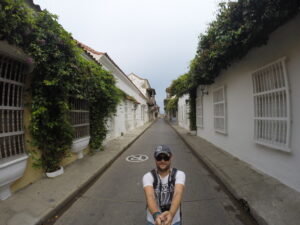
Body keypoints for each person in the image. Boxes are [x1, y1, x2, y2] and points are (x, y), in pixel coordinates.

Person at [143, 145, 186, 225]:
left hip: (174, 221)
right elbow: (150, 196)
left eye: (165, 157)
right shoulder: (148, 176)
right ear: (155, 159)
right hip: (153, 221)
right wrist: (156, 216)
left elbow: (178, 193)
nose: (162, 161)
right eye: (159, 158)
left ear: (171, 157)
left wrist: (171, 214)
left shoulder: (179, 174)